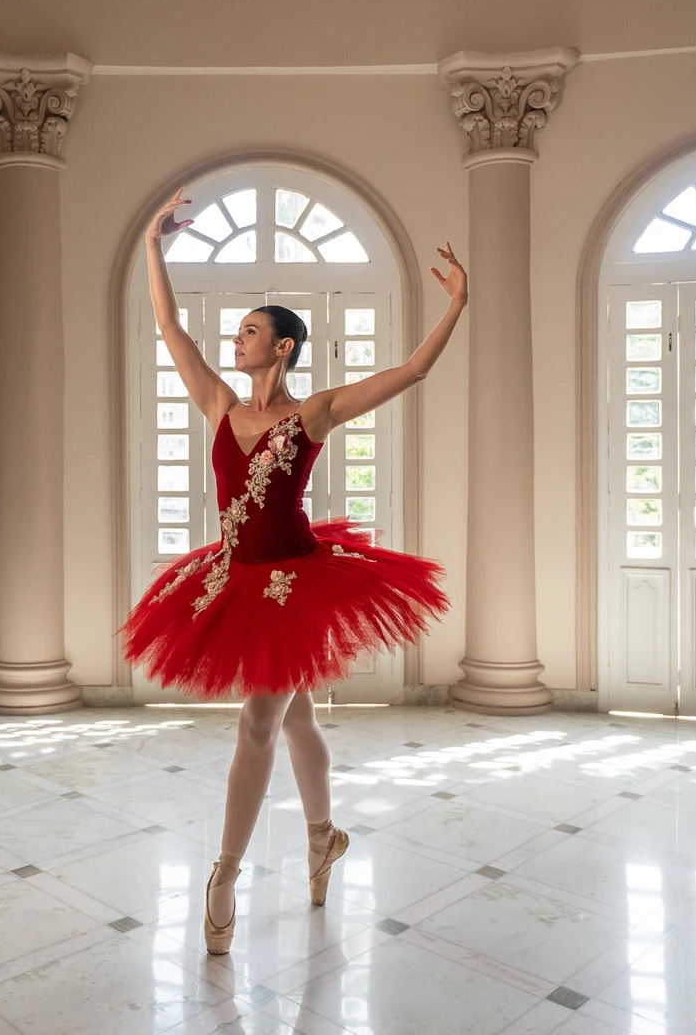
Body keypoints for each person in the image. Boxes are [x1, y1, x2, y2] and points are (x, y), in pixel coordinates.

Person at [119, 186, 468, 955]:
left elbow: (411, 371)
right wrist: (151, 243)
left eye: (251, 332)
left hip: (291, 580)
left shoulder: (311, 414)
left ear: (282, 348)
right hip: (233, 577)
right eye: (238, 332)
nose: (236, 340)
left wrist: (457, 305)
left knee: (258, 720)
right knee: (298, 716)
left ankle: (223, 875)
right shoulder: (218, 404)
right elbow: (169, 327)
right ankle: (323, 836)